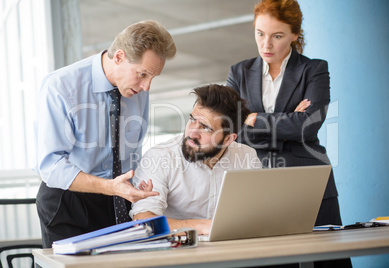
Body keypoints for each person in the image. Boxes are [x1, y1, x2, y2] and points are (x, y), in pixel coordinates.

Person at [226, 1, 352, 267]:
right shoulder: (238, 73)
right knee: (270, 261)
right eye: (260, 33)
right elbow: (232, 131)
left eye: (277, 36)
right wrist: (288, 120)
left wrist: (254, 118)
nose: (266, 45)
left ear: (294, 34)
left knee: (328, 260)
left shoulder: (314, 70)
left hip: (309, 178)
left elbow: (308, 126)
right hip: (257, 180)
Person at [33, 20, 176, 248]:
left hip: (117, 198)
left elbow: (132, 150)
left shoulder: (136, 89)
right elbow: (51, 165)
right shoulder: (60, 86)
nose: (147, 86)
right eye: (142, 74)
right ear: (118, 57)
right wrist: (110, 187)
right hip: (69, 200)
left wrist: (137, 182)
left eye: (152, 78)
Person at [130, 84, 262, 234]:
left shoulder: (246, 157)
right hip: (175, 252)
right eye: (192, 119)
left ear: (228, 139)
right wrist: (202, 226)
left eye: (206, 128)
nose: (192, 133)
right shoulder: (159, 157)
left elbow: (257, 214)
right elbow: (143, 221)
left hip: (232, 249)